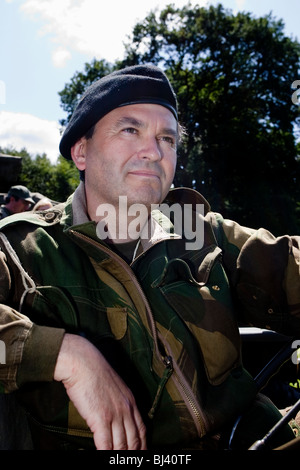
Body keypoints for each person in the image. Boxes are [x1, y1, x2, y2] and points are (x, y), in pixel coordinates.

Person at [0, 64, 299, 451]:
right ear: (80, 151)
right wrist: (64, 354)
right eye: (131, 130)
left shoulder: (202, 232)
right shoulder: (23, 249)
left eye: (168, 139)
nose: (155, 151)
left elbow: (287, 267)